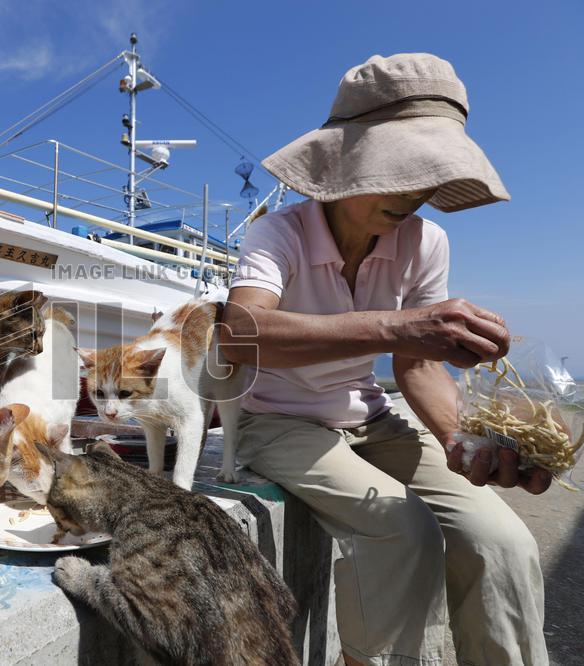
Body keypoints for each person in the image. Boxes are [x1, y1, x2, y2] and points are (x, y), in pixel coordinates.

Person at [220, 53, 549, 666]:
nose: (414, 191)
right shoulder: (278, 233)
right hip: (279, 421)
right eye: (398, 169)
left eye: (426, 174)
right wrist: (399, 326)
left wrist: (460, 440)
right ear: (345, 161)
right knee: (402, 531)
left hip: (372, 419)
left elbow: (417, 365)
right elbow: (239, 333)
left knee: (503, 542)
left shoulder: (427, 242)